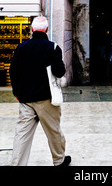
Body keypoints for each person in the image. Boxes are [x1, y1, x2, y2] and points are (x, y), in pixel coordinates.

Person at [10, 16, 71, 167]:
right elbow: (59, 72)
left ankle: (17, 164)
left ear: (31, 30)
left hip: (25, 99)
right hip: (46, 99)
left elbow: (13, 72)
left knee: (22, 135)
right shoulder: (53, 47)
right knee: (53, 132)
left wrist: (17, 93)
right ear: (47, 30)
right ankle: (59, 161)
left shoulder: (21, 47)